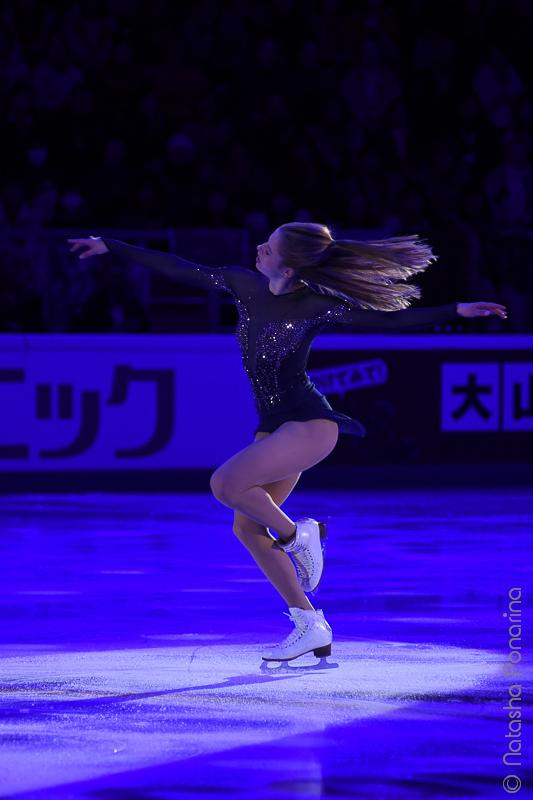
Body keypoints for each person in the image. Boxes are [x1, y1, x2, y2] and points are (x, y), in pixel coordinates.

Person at [67, 223, 507, 663]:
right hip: (274, 427)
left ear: (290, 264)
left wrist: (457, 310)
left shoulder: (315, 304)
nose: (259, 248)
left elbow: (388, 321)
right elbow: (180, 268)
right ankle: (310, 624)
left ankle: (300, 534)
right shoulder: (244, 284)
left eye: (270, 246)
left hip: (310, 424)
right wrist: (112, 245)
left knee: (225, 485)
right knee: (246, 528)